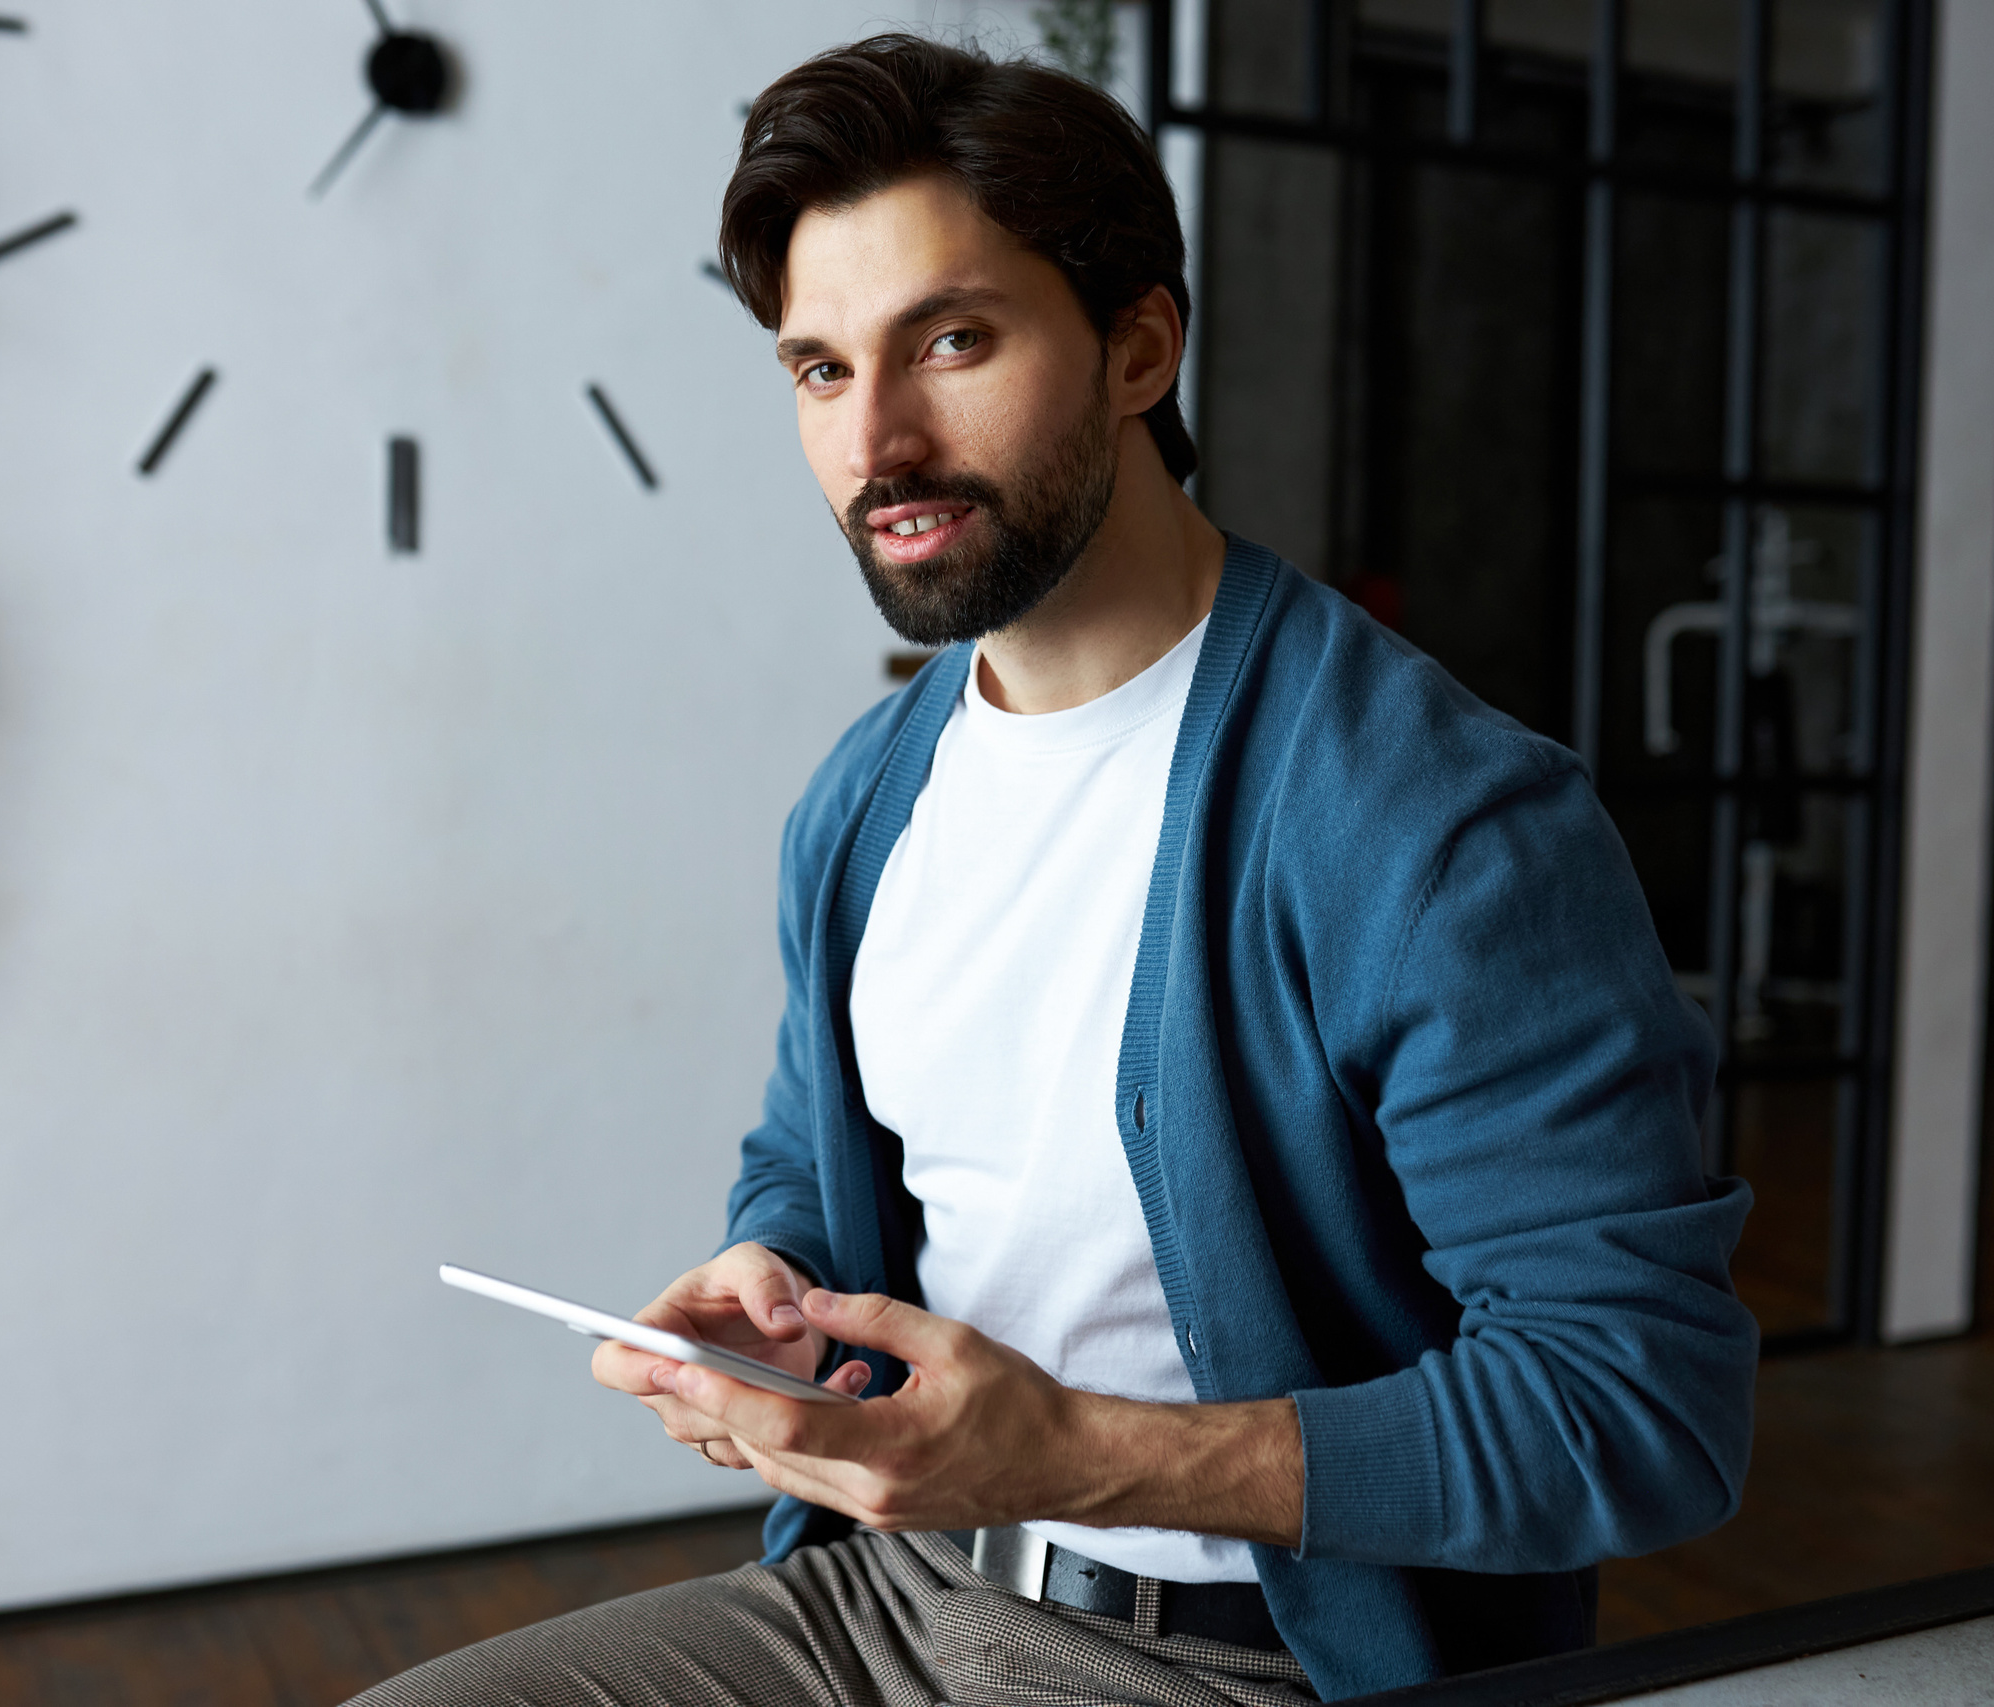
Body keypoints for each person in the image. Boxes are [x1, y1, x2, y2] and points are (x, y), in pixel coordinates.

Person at [356, 32, 1754, 1707]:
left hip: (1249, 1663)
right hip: (885, 1599)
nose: (876, 443)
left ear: (1138, 346)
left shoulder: (1440, 829)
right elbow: (809, 1154)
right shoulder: (867, 798)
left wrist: (1075, 1453)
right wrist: (775, 1277)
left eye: (951, 341)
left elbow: (1638, 1412)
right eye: (818, 370)